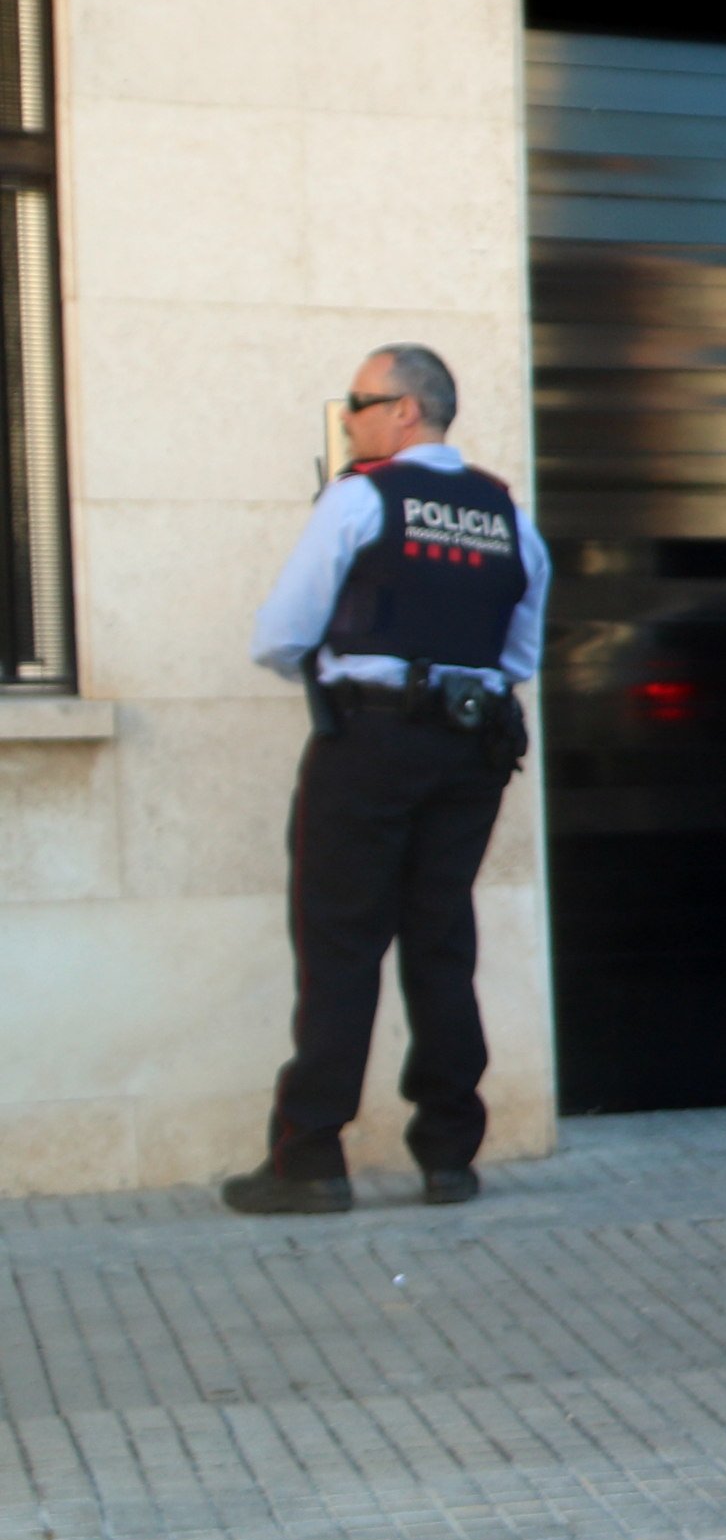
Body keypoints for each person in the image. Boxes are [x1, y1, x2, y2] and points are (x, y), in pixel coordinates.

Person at [220, 345, 548, 1214]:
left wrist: (342, 667)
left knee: (339, 946)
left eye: (360, 401)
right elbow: (518, 654)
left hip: (368, 743)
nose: (350, 416)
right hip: (468, 750)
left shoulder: (362, 497)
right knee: (440, 942)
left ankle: (311, 1161)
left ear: (406, 411)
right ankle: (449, 1157)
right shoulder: (508, 515)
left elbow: (278, 634)